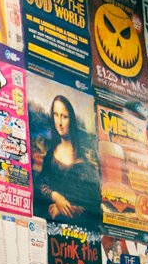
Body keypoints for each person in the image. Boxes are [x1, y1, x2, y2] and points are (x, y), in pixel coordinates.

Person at [33, 94, 101, 228]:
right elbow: (39, 184)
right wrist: (55, 196)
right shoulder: (51, 154)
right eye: (56, 115)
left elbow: (92, 203)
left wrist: (67, 209)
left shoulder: (82, 163)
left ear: (71, 120)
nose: (59, 122)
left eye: (64, 116)